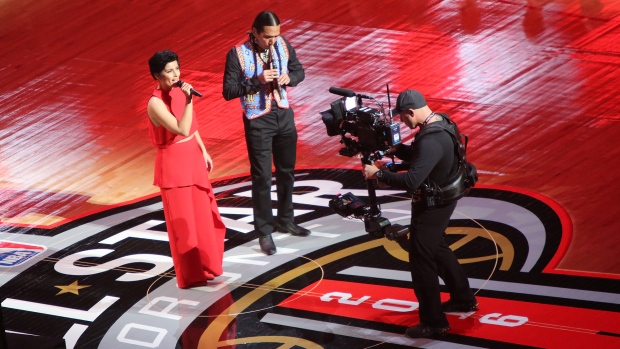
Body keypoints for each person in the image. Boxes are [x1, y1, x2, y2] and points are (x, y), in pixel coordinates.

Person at [363, 90, 478, 338]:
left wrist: (378, 174)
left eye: (403, 118)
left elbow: (413, 181)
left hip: (434, 204)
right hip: (447, 194)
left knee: (421, 259)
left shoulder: (429, 140)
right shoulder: (444, 122)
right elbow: (427, 158)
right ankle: (463, 298)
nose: (402, 122)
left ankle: (433, 322)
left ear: (412, 112)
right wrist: (398, 149)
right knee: (437, 247)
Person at [222, 10, 310, 255]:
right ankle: (264, 231)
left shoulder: (282, 44)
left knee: (287, 171)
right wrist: (257, 80)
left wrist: (289, 78)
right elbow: (228, 91)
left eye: (276, 35)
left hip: (283, 114)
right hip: (258, 120)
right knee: (261, 177)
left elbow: (299, 71)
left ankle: (286, 219)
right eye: (268, 37)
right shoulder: (238, 54)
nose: (273, 41)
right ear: (255, 32)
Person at [147, 50, 226, 288]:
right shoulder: (155, 103)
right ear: (156, 75)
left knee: (203, 217)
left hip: (192, 157)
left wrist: (203, 150)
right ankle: (191, 276)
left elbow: (192, 127)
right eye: (169, 71)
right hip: (174, 166)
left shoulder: (181, 92)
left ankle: (208, 266)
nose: (175, 74)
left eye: (177, 69)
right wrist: (189, 100)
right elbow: (181, 128)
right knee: (184, 227)